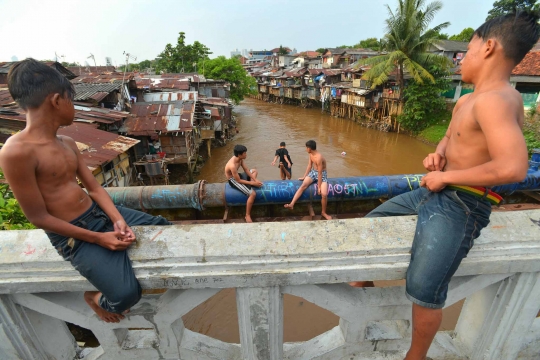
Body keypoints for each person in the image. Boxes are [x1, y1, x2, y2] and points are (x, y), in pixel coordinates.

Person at [355, 12, 539, 360]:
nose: (460, 58)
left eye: (464, 51)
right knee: (368, 226)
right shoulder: (470, 98)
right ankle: (365, 307)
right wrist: (437, 155)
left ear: (488, 48)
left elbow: (513, 167)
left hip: (464, 205)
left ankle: (416, 356)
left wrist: (447, 177)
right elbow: (449, 137)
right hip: (435, 191)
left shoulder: (497, 100)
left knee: (425, 288)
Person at [0, 59, 172, 324]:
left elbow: (93, 188)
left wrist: (117, 219)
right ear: (56, 100)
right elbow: (38, 217)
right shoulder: (16, 151)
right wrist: (98, 239)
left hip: (98, 214)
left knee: (163, 227)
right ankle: (94, 298)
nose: (74, 106)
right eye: (72, 99)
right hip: (75, 237)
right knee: (126, 294)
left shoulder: (67, 142)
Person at [284, 140, 332, 220]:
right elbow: (309, 166)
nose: (306, 149)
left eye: (306, 148)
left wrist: (319, 187)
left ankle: (323, 212)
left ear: (309, 148)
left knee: (323, 194)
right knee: (303, 185)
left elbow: (320, 173)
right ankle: (292, 204)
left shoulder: (319, 157)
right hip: (313, 172)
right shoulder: (310, 154)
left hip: (322, 174)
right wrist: (304, 176)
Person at [225, 144, 263, 223]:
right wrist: (252, 183)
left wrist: (255, 179)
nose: (246, 154)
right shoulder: (232, 165)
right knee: (253, 194)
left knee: (254, 171)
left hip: (238, 176)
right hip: (233, 180)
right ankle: (247, 215)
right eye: (244, 153)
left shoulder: (240, 159)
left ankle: (251, 184)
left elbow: (246, 169)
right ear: (239, 154)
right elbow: (238, 181)